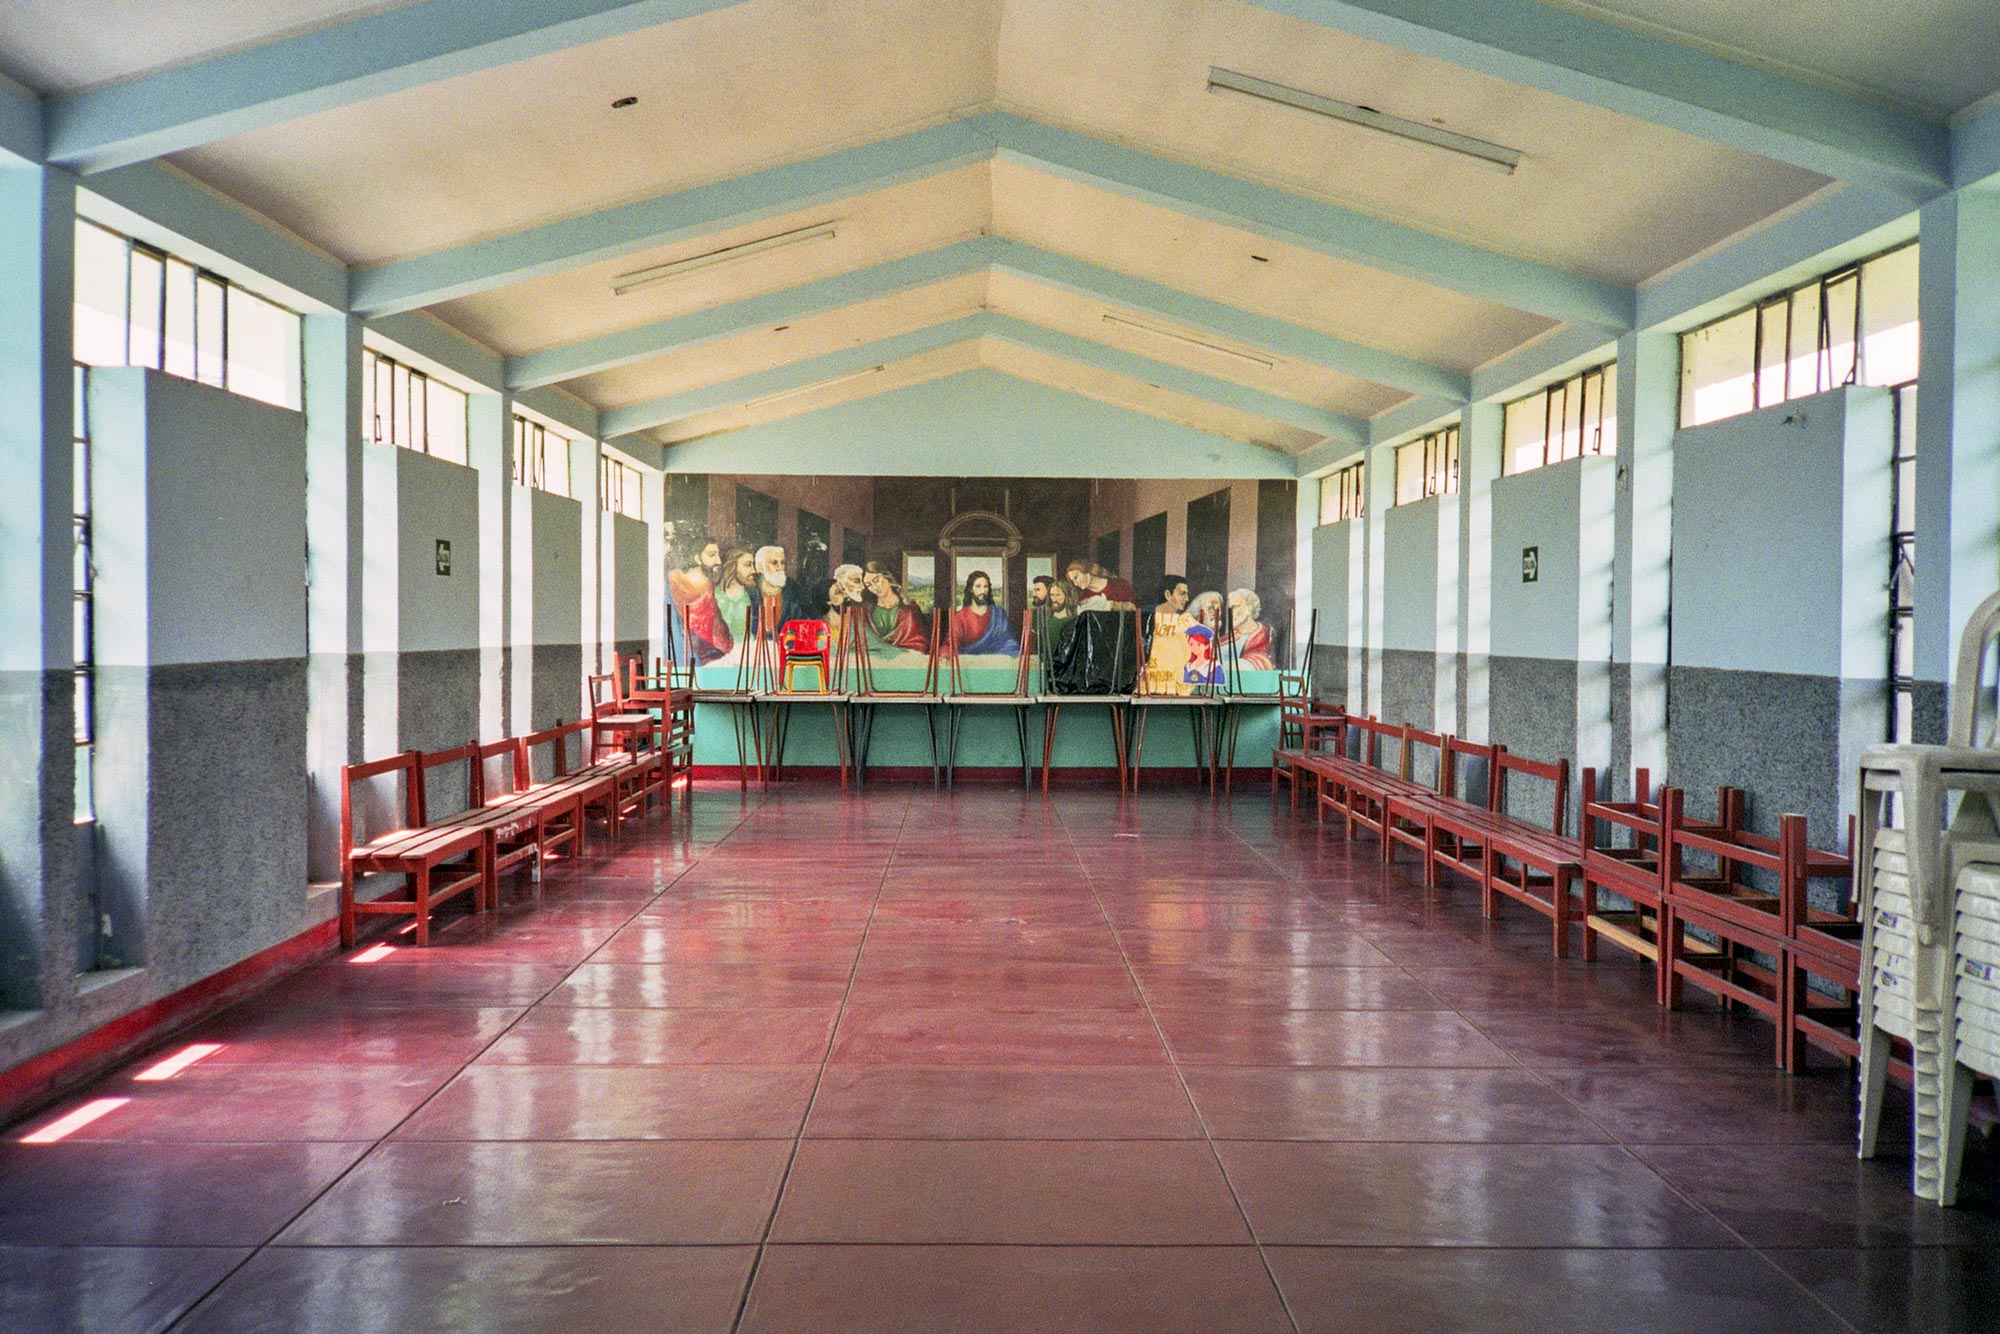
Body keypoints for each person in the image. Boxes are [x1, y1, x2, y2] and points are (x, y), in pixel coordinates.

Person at [861, 561, 931, 656]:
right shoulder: (867, 611)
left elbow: (920, 642)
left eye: (876, 580)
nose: (874, 587)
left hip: (905, 660)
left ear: (886, 576)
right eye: (868, 585)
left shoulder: (909, 608)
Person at [667, 562, 730, 663]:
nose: (718, 560)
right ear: (697, 558)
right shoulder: (673, 587)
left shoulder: (710, 591)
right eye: (711, 554)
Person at [949, 569, 1019, 656]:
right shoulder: (960, 617)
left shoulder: (998, 615)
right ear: (971, 589)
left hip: (997, 664)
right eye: (978, 586)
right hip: (968, 665)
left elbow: (1009, 641)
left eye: (985, 587)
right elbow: (950, 644)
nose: (983, 591)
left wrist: (1015, 654)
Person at [752, 545, 806, 637]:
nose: (780, 567)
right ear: (760, 567)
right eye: (774, 563)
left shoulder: (793, 588)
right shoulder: (752, 589)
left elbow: (801, 621)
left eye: (783, 562)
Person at [714, 547, 757, 651]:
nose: (754, 571)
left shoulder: (754, 595)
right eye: (748, 565)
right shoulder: (714, 595)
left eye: (753, 565)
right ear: (732, 566)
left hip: (749, 652)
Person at [1227, 587, 1276, 670]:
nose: (1231, 612)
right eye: (1230, 608)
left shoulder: (1265, 634)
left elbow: (1259, 662)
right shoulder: (1228, 638)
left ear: (1249, 609)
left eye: (1235, 607)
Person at [1064, 559, 1139, 611]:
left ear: (1086, 570)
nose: (1075, 584)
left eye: (1076, 577)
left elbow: (1136, 609)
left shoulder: (1120, 584)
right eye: (1072, 581)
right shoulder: (1083, 598)